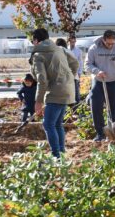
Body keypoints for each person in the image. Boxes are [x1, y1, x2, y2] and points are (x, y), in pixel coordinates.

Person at [30, 27, 79, 157]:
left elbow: (42, 80)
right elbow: (75, 63)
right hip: (68, 89)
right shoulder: (60, 49)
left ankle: (56, 155)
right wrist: (69, 78)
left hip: (55, 92)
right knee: (57, 124)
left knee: (48, 124)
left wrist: (38, 101)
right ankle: (61, 153)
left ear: (35, 40)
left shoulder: (38, 55)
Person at [86, 30, 115, 141]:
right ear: (103, 40)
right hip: (98, 82)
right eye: (108, 43)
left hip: (113, 82)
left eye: (112, 43)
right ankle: (100, 133)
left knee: (114, 108)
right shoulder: (94, 48)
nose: (110, 46)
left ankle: (114, 132)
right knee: (96, 105)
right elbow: (87, 65)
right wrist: (96, 71)